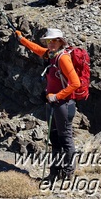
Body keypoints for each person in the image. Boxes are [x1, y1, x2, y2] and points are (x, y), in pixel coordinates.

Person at [14, 28, 80, 180]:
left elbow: (75, 83)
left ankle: (68, 173)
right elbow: (37, 49)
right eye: (48, 41)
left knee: (65, 138)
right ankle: (55, 172)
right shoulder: (51, 55)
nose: (50, 43)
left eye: (53, 41)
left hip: (64, 104)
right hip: (54, 104)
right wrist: (21, 39)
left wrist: (56, 96)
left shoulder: (63, 58)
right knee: (54, 138)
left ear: (60, 42)